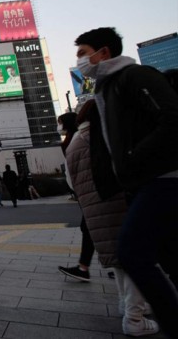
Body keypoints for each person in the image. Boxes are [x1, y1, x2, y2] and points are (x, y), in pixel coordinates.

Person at [74, 27, 178, 337]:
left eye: (83, 53)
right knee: (168, 255)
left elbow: (173, 119)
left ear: (103, 52)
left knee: (131, 252)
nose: (80, 61)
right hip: (141, 183)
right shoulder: (105, 88)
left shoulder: (135, 76)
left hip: (163, 179)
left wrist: (133, 157)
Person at [64, 100, 158, 336]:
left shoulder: (74, 141)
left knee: (119, 259)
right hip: (116, 203)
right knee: (135, 257)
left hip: (93, 209)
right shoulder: (102, 136)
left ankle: (126, 305)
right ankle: (135, 317)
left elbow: (69, 181)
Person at [57, 111, 95, 282]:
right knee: (89, 227)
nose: (58, 126)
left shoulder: (78, 139)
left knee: (89, 227)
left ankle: (85, 267)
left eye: (60, 122)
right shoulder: (74, 139)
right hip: (84, 190)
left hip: (89, 190)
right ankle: (85, 266)